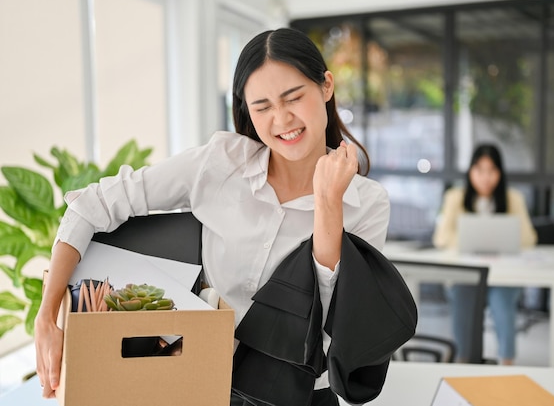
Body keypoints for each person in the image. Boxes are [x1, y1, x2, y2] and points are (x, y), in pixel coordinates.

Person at [34, 28, 392, 405]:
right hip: (199, 381)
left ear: (326, 87)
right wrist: (47, 319)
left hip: (299, 396)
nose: (282, 119)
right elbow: (92, 205)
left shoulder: (366, 203)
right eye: (263, 107)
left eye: (294, 97)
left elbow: (333, 318)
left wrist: (328, 202)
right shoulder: (220, 163)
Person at [432, 143, 537, 365]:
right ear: (471, 171)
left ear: (500, 173)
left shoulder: (513, 198)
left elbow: (529, 238)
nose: (485, 177)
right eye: (480, 170)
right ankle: (463, 359)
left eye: (491, 171)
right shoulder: (455, 197)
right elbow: (440, 237)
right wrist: (470, 241)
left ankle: (507, 362)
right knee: (462, 295)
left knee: (502, 302)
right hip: (467, 274)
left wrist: (503, 239)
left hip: (503, 275)